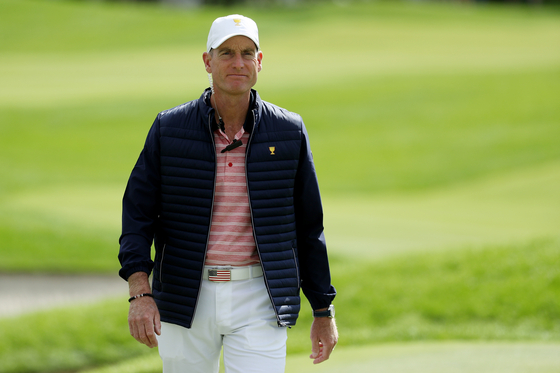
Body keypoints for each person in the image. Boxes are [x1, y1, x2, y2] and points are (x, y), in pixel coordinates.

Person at [118, 14, 337, 373]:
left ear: (260, 62)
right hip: (184, 295)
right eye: (227, 53)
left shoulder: (289, 131)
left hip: (260, 297)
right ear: (207, 61)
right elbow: (137, 215)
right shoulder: (168, 128)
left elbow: (310, 226)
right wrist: (139, 292)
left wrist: (323, 309)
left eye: (247, 53)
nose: (238, 63)